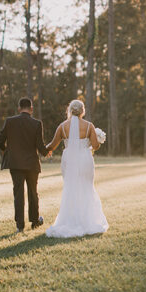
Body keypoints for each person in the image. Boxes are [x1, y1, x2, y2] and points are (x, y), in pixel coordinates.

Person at [43, 98, 108, 238]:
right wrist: (97, 139)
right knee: (86, 186)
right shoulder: (89, 125)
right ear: (82, 111)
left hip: (69, 160)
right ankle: (87, 220)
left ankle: (70, 220)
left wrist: (42, 149)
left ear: (70, 111)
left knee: (71, 187)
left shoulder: (62, 126)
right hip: (85, 159)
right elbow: (95, 146)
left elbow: (52, 146)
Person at [0, 97, 49, 233]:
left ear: (19, 108)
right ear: (31, 109)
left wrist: (6, 150)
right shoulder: (37, 123)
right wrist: (47, 151)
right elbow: (40, 145)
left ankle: (20, 225)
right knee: (33, 193)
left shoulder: (10, 122)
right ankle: (35, 221)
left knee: (18, 193)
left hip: (15, 163)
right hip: (32, 164)